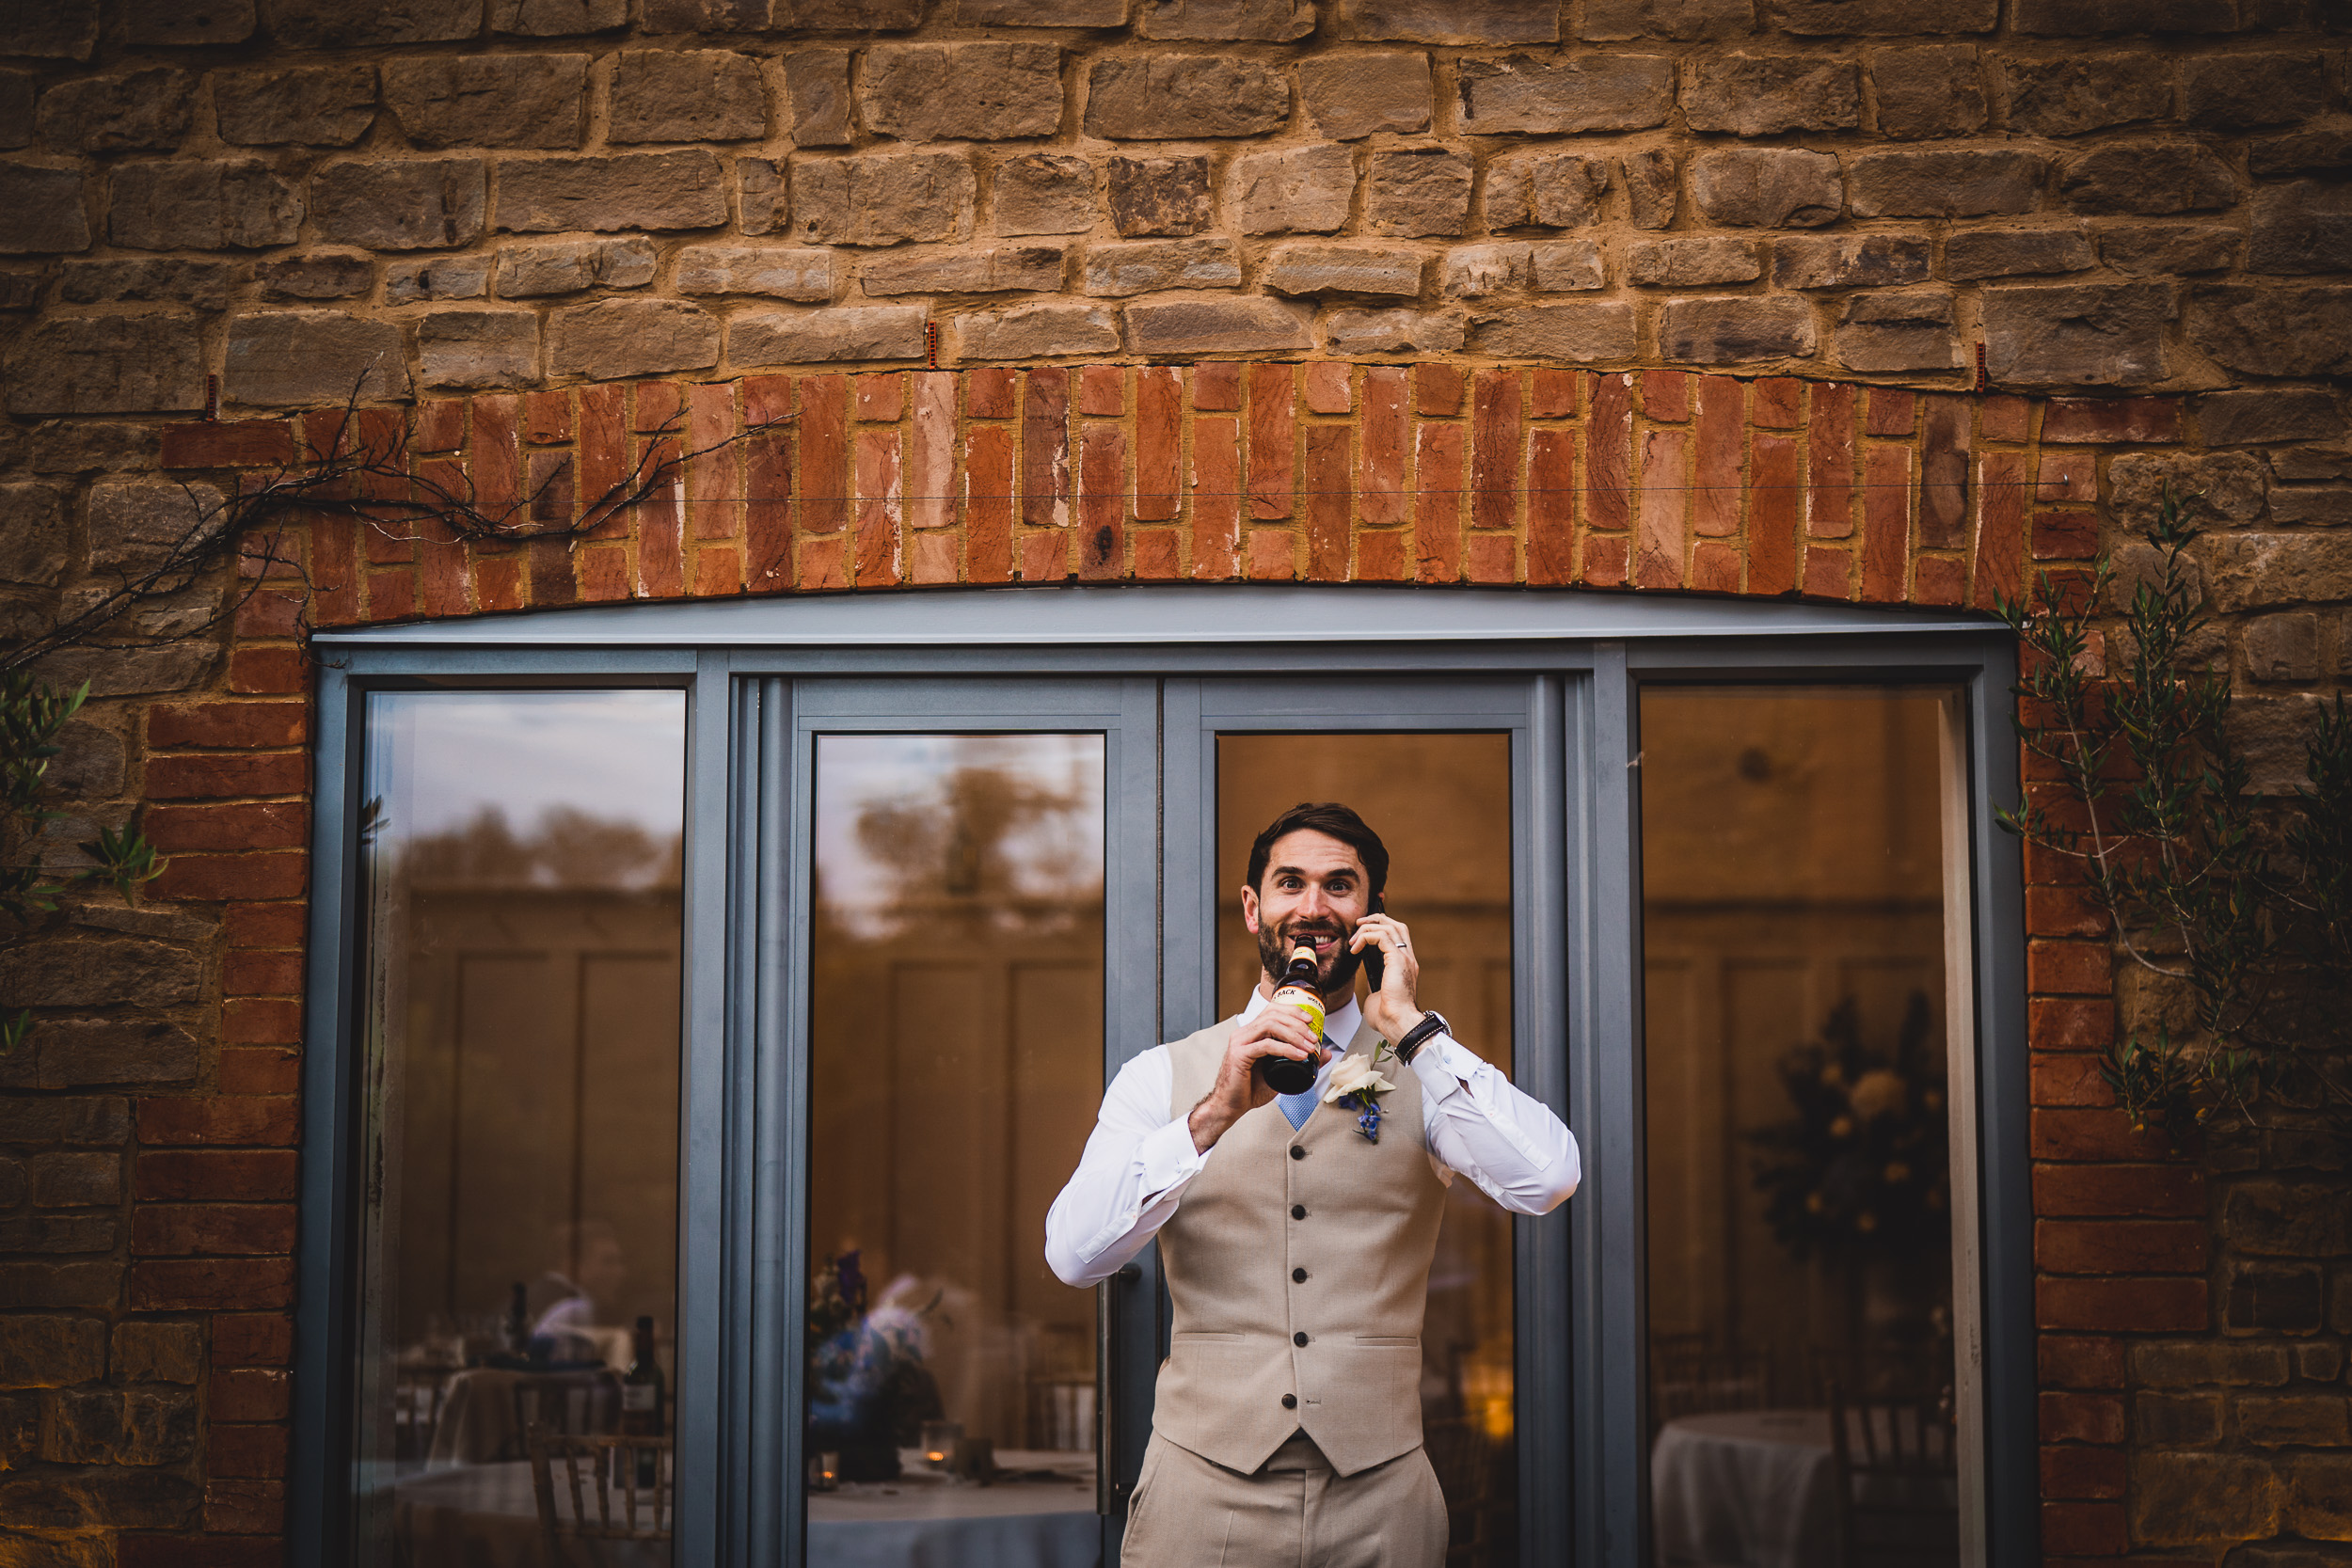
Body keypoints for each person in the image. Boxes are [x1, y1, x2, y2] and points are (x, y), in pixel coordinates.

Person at [1045, 801, 1580, 1568]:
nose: (1314, 907)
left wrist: (1412, 1027)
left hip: (1382, 1498)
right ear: (1253, 906)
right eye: (1290, 882)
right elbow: (1072, 1254)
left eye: (1340, 885)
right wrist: (1208, 1118)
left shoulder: (1426, 1070)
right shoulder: (1161, 1076)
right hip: (1202, 1492)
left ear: (1372, 915)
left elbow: (1549, 1179)